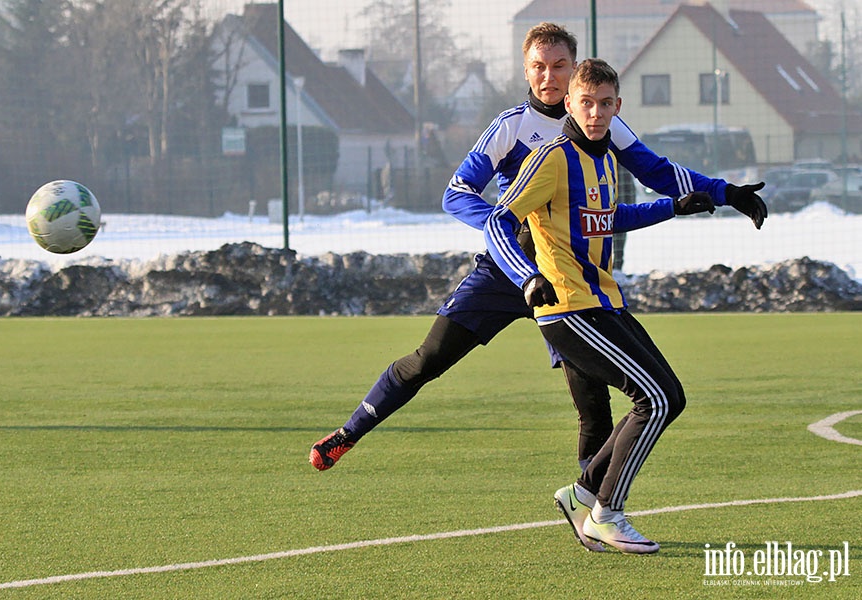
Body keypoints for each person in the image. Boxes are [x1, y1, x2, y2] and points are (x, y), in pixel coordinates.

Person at [309, 23, 766, 482]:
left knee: (593, 401)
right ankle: (349, 432)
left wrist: (727, 192)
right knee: (428, 359)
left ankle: (594, 502)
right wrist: (510, 226)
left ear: (575, 68)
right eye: (539, 67)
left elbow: (659, 173)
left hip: (567, 278)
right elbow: (457, 192)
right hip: (507, 272)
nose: (550, 77)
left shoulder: (601, 123)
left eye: (560, 66)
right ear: (526, 71)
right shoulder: (511, 126)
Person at [485, 58, 708, 554]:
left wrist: (674, 205)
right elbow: (498, 221)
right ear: (569, 103)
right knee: (657, 399)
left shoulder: (604, 159)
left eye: (605, 104)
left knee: (669, 395)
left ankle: (586, 490)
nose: (596, 112)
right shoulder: (550, 159)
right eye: (586, 102)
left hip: (603, 300)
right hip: (567, 308)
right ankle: (605, 514)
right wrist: (527, 277)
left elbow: (608, 218)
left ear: (617, 107)